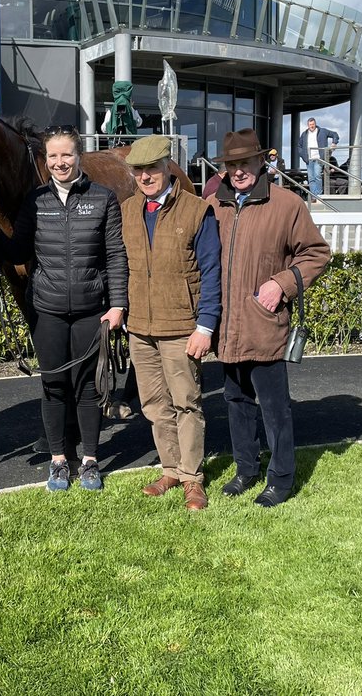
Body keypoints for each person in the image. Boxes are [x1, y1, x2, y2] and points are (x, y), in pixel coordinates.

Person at [0, 126, 127, 492]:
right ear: (45, 160)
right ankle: (59, 461)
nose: (60, 162)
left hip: (92, 309)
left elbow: (115, 255)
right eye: (53, 156)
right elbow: (19, 253)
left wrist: (118, 304)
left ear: (79, 157)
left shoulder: (103, 198)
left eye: (67, 155)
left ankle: (90, 459)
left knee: (89, 388)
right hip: (48, 310)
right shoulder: (36, 201)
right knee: (54, 386)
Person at [206, 129, 331, 507]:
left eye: (246, 162)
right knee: (235, 400)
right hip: (227, 325)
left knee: (275, 408)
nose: (239, 170)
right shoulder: (213, 205)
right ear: (225, 169)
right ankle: (246, 469)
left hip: (264, 322)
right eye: (232, 164)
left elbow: (316, 253)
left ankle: (281, 478)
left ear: (261, 161)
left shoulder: (287, 204)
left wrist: (282, 283)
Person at [122, 135, 221, 511]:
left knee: (186, 403)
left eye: (152, 168)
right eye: (139, 170)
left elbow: (212, 271)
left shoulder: (197, 210)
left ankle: (193, 478)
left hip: (183, 327)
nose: (146, 176)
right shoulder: (128, 209)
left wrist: (205, 326)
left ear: (167, 167)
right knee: (154, 405)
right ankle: (171, 469)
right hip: (141, 329)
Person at [298, 117, 339, 197]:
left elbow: (335, 134)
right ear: (308, 125)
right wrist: (303, 155)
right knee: (311, 178)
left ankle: (319, 195)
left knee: (317, 176)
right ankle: (314, 196)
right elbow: (299, 146)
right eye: (310, 125)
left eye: (313, 124)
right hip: (309, 159)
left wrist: (334, 143)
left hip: (319, 158)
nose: (312, 126)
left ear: (315, 124)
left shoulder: (323, 131)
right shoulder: (304, 134)